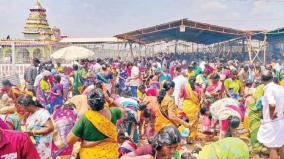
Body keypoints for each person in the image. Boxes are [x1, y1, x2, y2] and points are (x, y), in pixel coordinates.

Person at [67, 89, 123, 158]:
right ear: (104, 101)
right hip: (111, 155)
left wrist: (84, 140)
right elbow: (123, 110)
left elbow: (69, 140)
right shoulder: (114, 112)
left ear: (89, 104)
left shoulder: (85, 118)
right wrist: (110, 100)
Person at [257, 70, 284, 159]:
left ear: (262, 80)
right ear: (272, 78)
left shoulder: (269, 88)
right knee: (281, 144)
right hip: (280, 120)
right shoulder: (280, 88)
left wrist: (272, 115)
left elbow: (272, 104)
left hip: (272, 122)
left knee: (272, 146)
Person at [17, 94, 54, 159]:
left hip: (42, 148)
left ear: (30, 105)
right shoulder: (29, 113)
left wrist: (33, 132)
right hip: (34, 146)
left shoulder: (42, 113)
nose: (23, 109)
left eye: (24, 107)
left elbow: (50, 128)